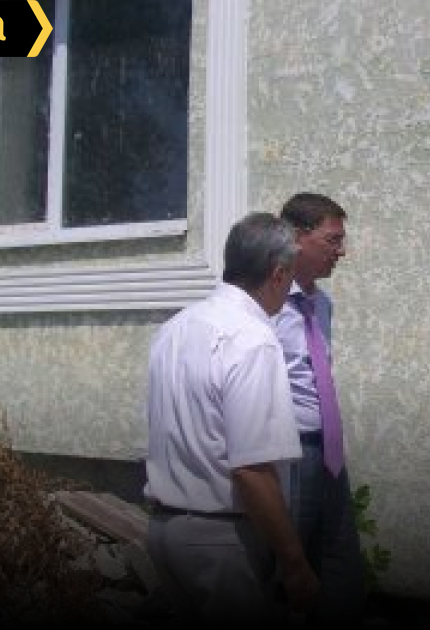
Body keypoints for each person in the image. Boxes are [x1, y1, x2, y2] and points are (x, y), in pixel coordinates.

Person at [143, 212, 319, 624]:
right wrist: (295, 563)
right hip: (221, 541)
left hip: (164, 532)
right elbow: (252, 469)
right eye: (290, 276)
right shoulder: (253, 340)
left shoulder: (174, 329)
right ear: (277, 274)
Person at [273, 192, 366, 624]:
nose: (341, 252)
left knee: (340, 556)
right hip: (290, 449)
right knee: (291, 562)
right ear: (296, 237)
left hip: (328, 448)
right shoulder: (267, 304)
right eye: (333, 240)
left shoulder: (321, 303)